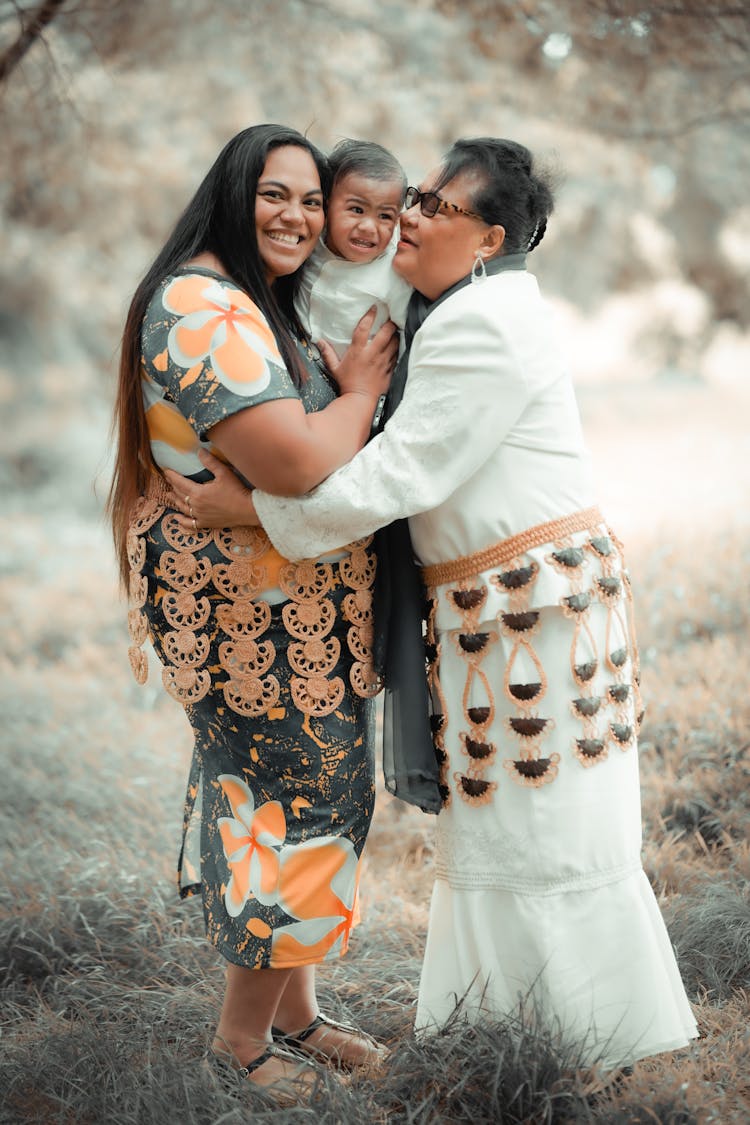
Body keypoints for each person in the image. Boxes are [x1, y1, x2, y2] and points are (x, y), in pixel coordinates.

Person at [166, 136, 699, 1073]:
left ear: (490, 237)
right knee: (513, 819)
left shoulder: (483, 324)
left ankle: (568, 1036)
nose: (409, 216)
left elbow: (399, 473)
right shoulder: (454, 309)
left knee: (541, 820)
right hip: (504, 607)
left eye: (438, 208)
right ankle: (516, 1031)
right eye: (414, 196)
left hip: (526, 614)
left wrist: (251, 509)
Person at [107, 123, 399, 1097]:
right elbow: (301, 459)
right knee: (293, 796)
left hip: (282, 606)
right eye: (277, 193)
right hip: (243, 610)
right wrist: (358, 390)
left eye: (313, 200)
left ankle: (297, 1018)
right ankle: (240, 1048)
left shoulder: (246, 301)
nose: (299, 216)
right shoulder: (199, 304)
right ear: (233, 192)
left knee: (294, 788)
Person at [295, 138, 412, 360]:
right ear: (326, 204)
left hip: (367, 385)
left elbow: (410, 336)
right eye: (357, 209)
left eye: (385, 216)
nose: (369, 227)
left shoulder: (394, 273)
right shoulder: (308, 245)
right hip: (300, 368)